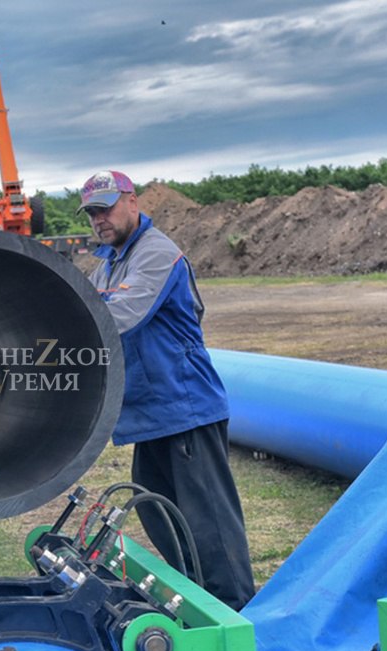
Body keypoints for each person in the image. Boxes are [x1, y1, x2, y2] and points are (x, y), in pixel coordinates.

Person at [79, 170, 255, 610]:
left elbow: (120, 316)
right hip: (149, 414)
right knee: (162, 516)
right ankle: (198, 604)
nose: (99, 219)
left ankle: (236, 612)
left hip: (184, 408)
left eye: (106, 208)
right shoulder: (107, 265)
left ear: (132, 202)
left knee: (209, 526)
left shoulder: (157, 254)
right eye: (92, 213)